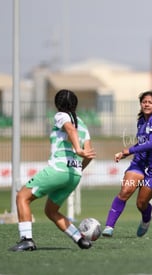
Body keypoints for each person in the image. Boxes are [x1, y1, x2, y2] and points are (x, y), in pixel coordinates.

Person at [9, 89, 96, 251]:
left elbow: (71, 130)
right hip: (74, 175)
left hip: (58, 169)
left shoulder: (61, 116)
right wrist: (78, 167)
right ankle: (80, 239)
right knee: (51, 211)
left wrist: (77, 149)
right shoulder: (84, 124)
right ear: (76, 104)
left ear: (57, 104)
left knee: (22, 196)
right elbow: (89, 155)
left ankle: (26, 239)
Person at [102, 91, 152, 238]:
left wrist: (129, 150)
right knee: (125, 191)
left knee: (141, 203)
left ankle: (146, 220)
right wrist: (125, 153)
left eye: (150, 102)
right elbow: (143, 143)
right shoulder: (141, 121)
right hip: (139, 163)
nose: (146, 104)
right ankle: (109, 226)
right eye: (144, 101)